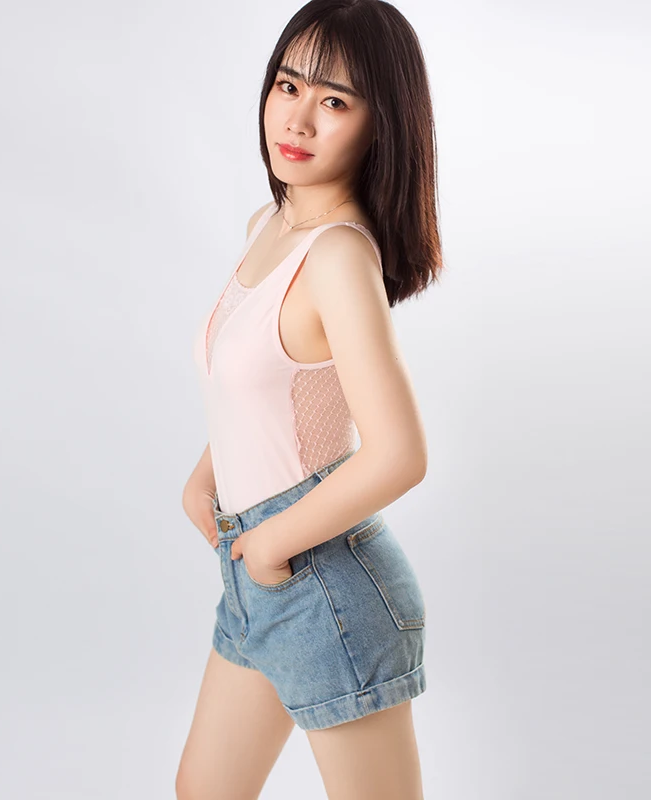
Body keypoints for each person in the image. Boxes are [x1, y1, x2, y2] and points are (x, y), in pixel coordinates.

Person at [178, 1, 443, 797]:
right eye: (288, 85)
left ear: (381, 123)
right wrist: (208, 475)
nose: (297, 119)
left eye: (334, 101)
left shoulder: (336, 257)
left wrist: (268, 546)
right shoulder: (272, 223)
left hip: (322, 580)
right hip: (257, 575)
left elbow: (400, 455)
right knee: (205, 790)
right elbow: (263, 384)